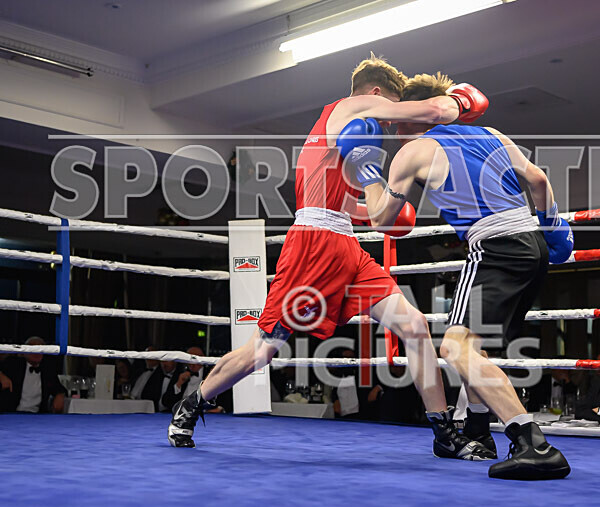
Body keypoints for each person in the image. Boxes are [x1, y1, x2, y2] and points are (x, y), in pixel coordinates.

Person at [169, 55, 495, 463]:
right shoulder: (349, 108)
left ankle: (443, 432)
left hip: (345, 244)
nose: (391, 124)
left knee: (413, 326)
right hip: (313, 245)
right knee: (265, 349)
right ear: (377, 94)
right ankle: (192, 404)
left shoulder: (348, 138)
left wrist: (382, 209)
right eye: (390, 109)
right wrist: (458, 101)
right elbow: (433, 109)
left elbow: (348, 207)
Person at [352, 72, 572, 479]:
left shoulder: (413, 151)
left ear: (413, 115)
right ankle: (477, 431)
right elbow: (539, 180)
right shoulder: (491, 133)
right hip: (532, 245)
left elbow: (383, 220)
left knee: (456, 349)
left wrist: (366, 173)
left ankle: (532, 443)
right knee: (477, 351)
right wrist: (551, 222)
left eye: (399, 121)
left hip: (493, 248)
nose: (396, 130)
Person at [0, 337, 66, 414]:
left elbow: (59, 388)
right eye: (33, 349)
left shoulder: (47, 370)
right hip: (11, 413)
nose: (36, 353)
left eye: (40, 349)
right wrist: (0, 375)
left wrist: (60, 395)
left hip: (38, 416)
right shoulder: (13, 364)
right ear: (24, 352)